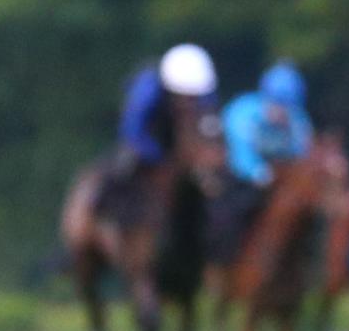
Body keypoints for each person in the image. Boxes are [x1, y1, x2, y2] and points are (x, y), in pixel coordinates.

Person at [211, 63, 314, 264]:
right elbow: (240, 153)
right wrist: (260, 173)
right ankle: (223, 260)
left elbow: (302, 157)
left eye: (287, 107)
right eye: (277, 105)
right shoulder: (242, 112)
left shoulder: (299, 121)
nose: (282, 113)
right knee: (231, 211)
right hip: (240, 177)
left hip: (278, 180)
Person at [115, 43, 218, 176]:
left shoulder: (205, 92)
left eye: (194, 97)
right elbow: (133, 132)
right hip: (151, 141)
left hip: (179, 147)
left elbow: (209, 123)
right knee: (125, 167)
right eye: (186, 96)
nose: (190, 103)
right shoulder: (147, 91)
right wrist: (161, 158)